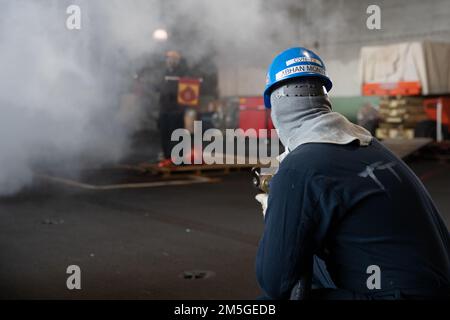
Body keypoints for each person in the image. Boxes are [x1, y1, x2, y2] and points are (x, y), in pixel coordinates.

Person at [255, 47, 450, 300]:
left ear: (274, 108)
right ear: (325, 99)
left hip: (403, 295)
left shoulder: (297, 168)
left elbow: (274, 282)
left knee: (268, 302)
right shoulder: (369, 144)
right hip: (437, 286)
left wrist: (276, 210)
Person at [157, 50, 189, 167]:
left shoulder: (183, 73)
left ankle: (179, 158)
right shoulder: (162, 73)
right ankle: (167, 157)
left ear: (178, 61)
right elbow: (157, 87)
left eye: (174, 59)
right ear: (166, 60)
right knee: (164, 133)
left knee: (177, 134)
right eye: (169, 59)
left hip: (177, 110)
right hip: (164, 108)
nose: (171, 61)